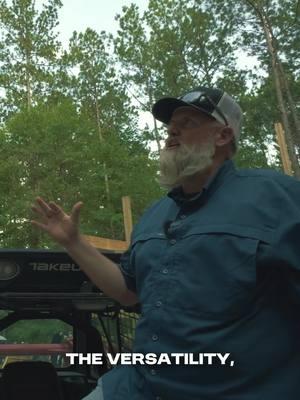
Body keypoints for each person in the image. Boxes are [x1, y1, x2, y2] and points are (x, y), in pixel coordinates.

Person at [31, 86, 300, 400]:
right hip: (136, 387)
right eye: (171, 125)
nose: (172, 131)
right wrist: (74, 242)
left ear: (223, 136)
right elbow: (127, 292)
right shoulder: (156, 214)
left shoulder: (276, 199)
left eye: (188, 123)